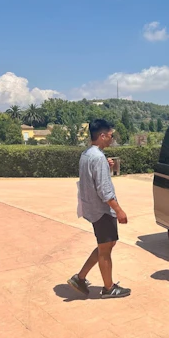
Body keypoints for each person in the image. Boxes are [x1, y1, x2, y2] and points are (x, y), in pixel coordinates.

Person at [67, 119, 131, 299]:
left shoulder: (87, 154)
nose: (112, 138)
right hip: (102, 210)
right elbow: (104, 190)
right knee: (105, 249)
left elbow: (93, 177)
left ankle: (80, 278)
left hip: (92, 208)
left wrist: (105, 165)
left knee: (106, 244)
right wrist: (119, 210)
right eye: (110, 135)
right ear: (102, 136)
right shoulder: (98, 158)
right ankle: (108, 288)